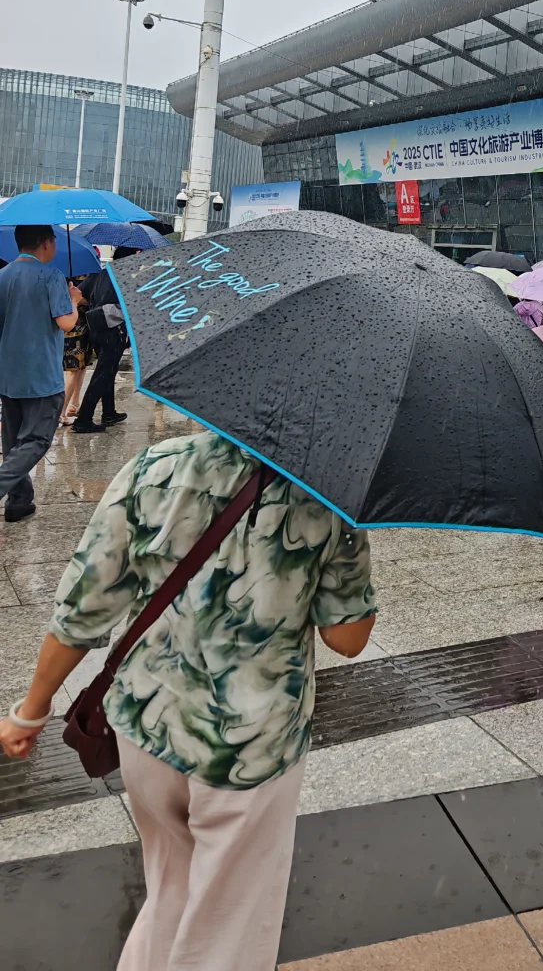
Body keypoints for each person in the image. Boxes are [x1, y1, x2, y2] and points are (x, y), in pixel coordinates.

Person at [0, 429, 377, 971]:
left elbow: (84, 605)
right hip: (250, 751)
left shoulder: (156, 465)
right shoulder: (327, 499)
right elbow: (348, 638)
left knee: (170, 887)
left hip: (147, 729)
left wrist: (31, 708)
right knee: (229, 927)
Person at [0, 225, 80, 523]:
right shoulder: (51, 276)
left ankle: (19, 501)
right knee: (35, 440)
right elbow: (66, 323)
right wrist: (73, 299)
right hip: (41, 375)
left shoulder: (3, 275)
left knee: (13, 441)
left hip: (8, 373)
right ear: (46, 243)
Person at [72, 247, 138, 433]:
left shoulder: (101, 272)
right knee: (103, 373)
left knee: (108, 368)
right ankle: (84, 418)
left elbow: (80, 295)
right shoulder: (128, 275)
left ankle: (109, 412)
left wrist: (96, 305)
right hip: (113, 330)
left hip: (95, 327)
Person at [61, 279, 95, 425]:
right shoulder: (63, 278)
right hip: (73, 327)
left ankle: (74, 403)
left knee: (82, 366)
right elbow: (79, 300)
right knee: (72, 369)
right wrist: (79, 300)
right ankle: (61, 413)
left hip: (83, 326)